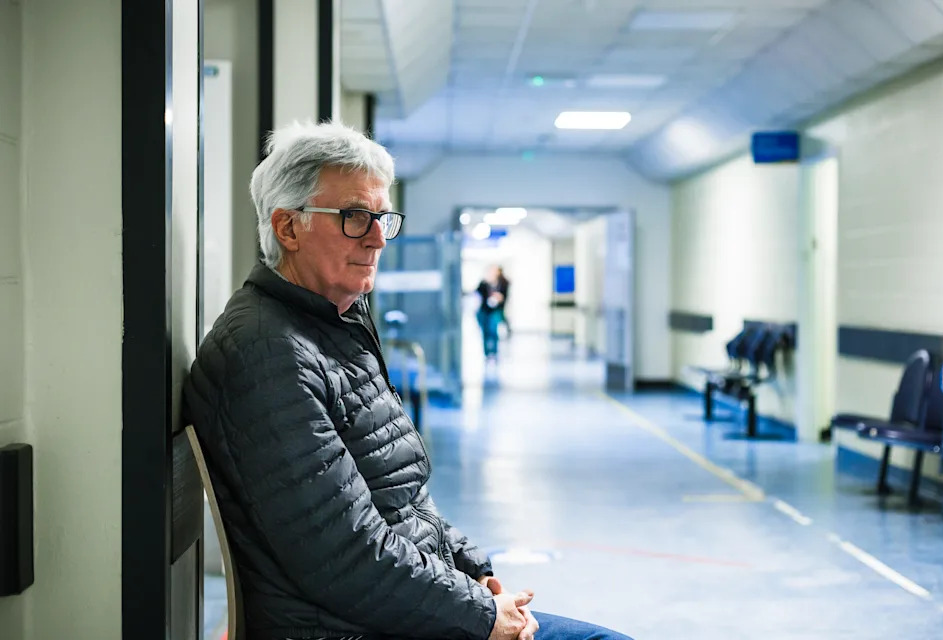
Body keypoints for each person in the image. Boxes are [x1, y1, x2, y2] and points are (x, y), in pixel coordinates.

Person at [184, 121, 632, 640]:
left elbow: (402, 500)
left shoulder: (333, 327)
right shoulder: (267, 353)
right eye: (355, 218)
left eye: (381, 218)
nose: (377, 238)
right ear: (288, 228)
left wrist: (476, 573)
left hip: (392, 608)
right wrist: (483, 615)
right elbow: (343, 554)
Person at [476, 266, 508, 360]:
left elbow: (505, 296)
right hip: (484, 311)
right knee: (485, 331)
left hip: (495, 311)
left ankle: (494, 351)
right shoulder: (483, 283)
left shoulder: (503, 283)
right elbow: (478, 294)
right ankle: (486, 352)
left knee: (493, 330)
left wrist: (499, 297)